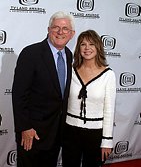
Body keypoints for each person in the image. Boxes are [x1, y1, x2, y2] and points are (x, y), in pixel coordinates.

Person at [12, 11, 75, 167]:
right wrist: (25, 127)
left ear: (72, 34)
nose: (60, 32)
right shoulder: (31, 53)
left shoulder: (69, 55)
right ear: (48, 30)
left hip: (56, 133)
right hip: (33, 134)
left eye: (65, 29)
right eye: (56, 28)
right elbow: (19, 95)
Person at [62, 30, 116, 167]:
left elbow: (109, 110)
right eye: (83, 44)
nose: (87, 48)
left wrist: (107, 141)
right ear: (78, 48)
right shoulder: (71, 70)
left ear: (98, 47)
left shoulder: (108, 75)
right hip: (70, 131)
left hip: (95, 134)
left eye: (91, 44)